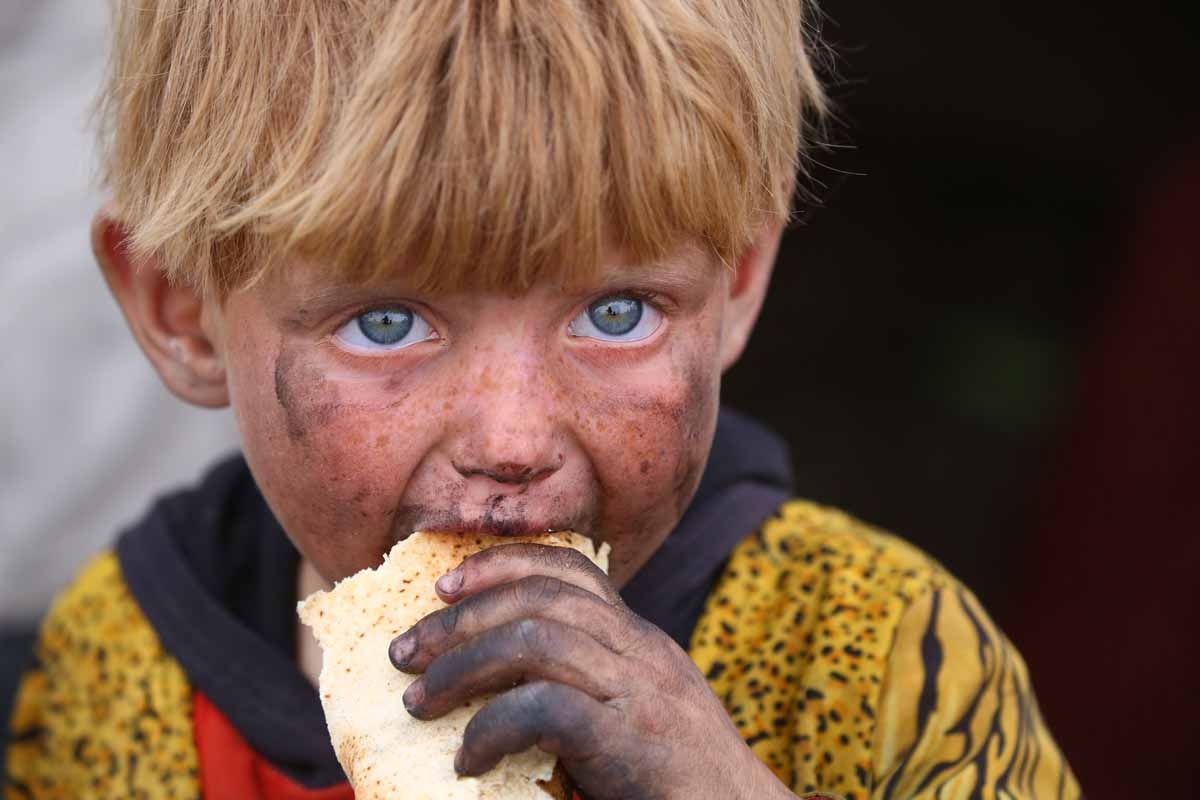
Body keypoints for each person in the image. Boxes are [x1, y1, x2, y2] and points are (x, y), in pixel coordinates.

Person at [3, 2, 1079, 798]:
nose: (511, 439)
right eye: (387, 322)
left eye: (618, 313)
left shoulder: (873, 648)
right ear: (181, 311)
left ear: (738, 283)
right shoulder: (120, 666)